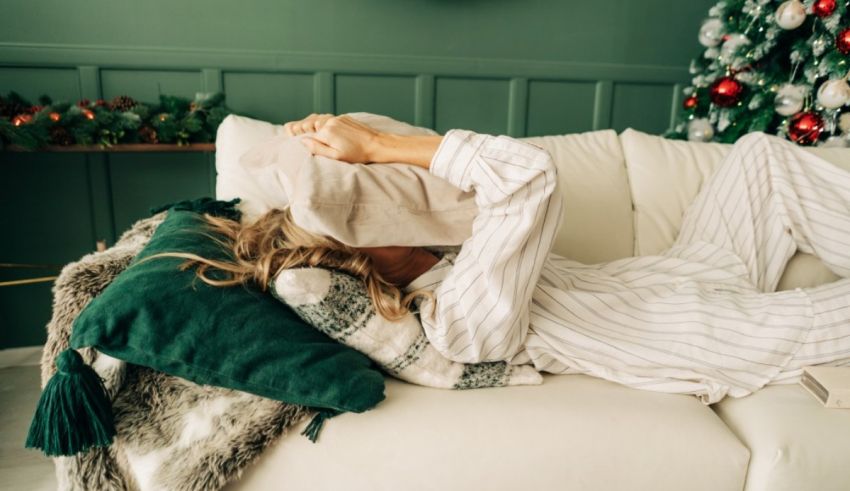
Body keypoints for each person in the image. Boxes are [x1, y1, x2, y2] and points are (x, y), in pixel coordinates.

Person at [183, 113, 850, 404]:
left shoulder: (443, 246)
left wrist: (316, 139)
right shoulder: (461, 316)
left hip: (682, 276)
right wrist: (379, 148)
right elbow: (527, 176)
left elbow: (262, 164)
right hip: (704, 339)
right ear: (362, 251)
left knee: (761, 157)